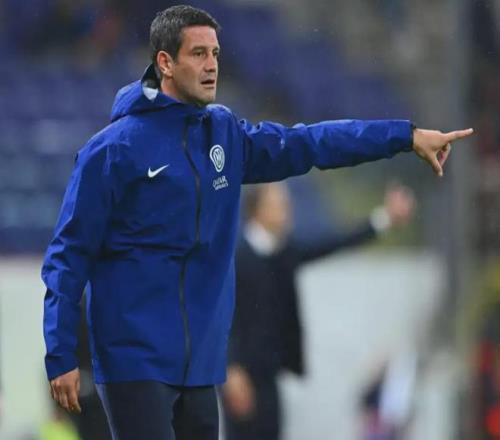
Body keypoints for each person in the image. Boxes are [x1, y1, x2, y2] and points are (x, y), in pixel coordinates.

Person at [42, 4, 473, 440]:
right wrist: (60, 353)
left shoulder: (225, 135)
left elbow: (310, 143)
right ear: (165, 63)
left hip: (199, 367)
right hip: (133, 360)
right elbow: (68, 255)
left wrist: (403, 136)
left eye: (215, 53)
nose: (212, 65)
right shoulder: (112, 151)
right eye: (198, 53)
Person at [222, 182, 414, 440]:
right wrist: (231, 369)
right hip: (240, 376)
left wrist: (385, 218)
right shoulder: (236, 256)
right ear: (258, 210)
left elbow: (334, 241)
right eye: (279, 205)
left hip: (270, 373)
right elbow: (221, 317)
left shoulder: (282, 251)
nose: (287, 210)